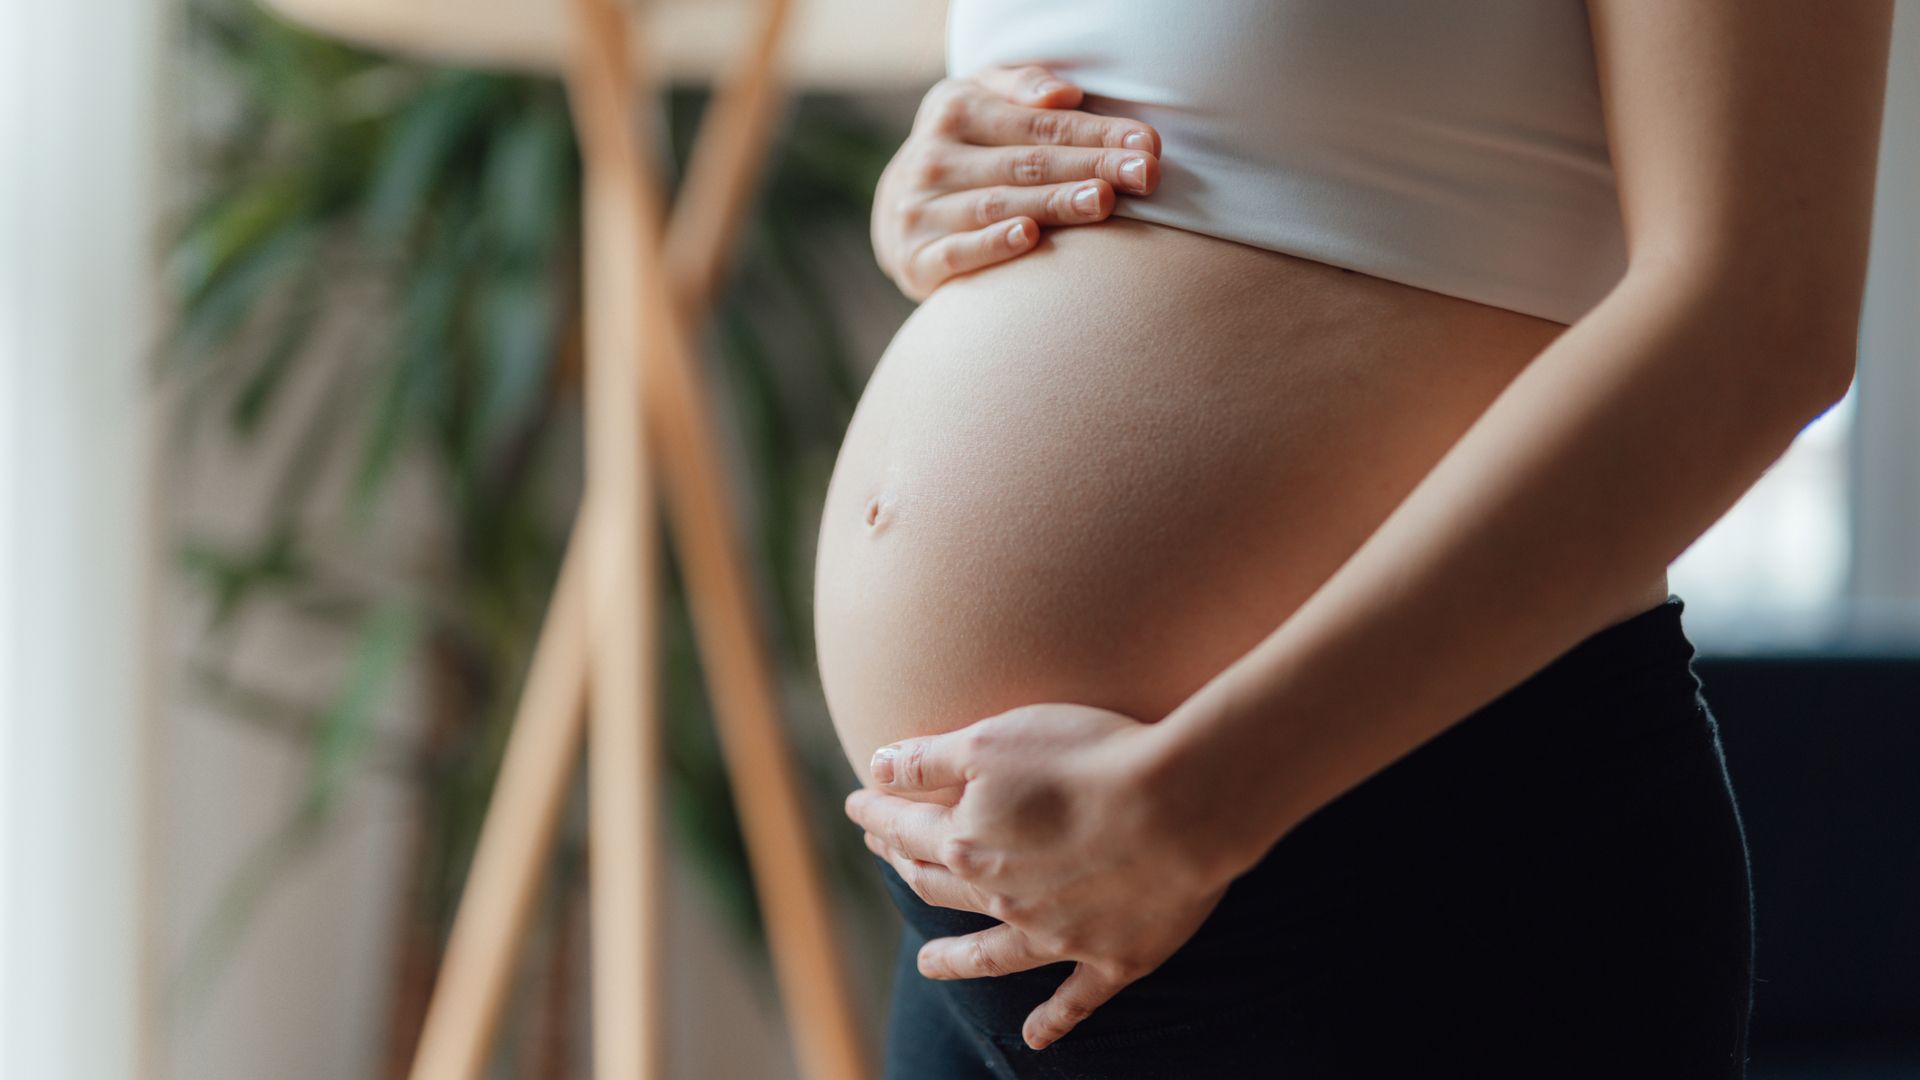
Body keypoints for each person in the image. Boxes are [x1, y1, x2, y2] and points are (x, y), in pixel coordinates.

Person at [812, 2, 1896, 1076]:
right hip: (989, 912)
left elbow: (1762, 317)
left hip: (1392, 874)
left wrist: (1201, 798)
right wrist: (927, 191)